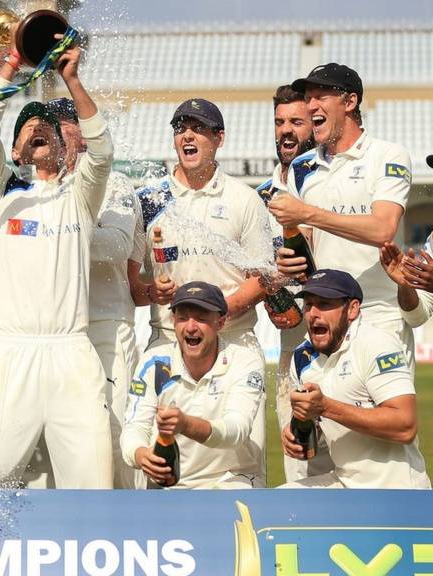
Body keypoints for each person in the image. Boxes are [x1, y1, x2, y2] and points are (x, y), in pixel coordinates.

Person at [0, 32, 114, 489]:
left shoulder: (80, 198)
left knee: (92, 490)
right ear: (14, 151)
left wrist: (72, 80)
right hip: (9, 355)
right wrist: (12, 62)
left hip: (71, 354)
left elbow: (102, 152)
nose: (38, 127)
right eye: (27, 126)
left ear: (67, 147)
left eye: (46, 124)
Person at [131, 98, 273, 484]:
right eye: (180, 129)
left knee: (241, 462)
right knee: (158, 468)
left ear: (219, 138)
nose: (187, 135)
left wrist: (211, 314)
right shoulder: (150, 200)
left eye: (199, 128)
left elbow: (264, 278)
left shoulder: (243, 199)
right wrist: (151, 292)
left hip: (234, 341)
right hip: (166, 343)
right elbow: (133, 286)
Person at [271, 63, 415, 373]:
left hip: (379, 315)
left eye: (321, 96)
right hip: (325, 317)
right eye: (308, 98)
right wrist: (287, 261)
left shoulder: (388, 155)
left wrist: (307, 213)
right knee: (325, 420)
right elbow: (306, 243)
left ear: (350, 102)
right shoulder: (301, 167)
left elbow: (383, 228)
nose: (311, 106)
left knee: (387, 421)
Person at [53, 96, 144, 488]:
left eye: (65, 122)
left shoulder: (117, 183)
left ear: (84, 133)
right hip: (56, 330)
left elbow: (116, 247)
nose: (56, 130)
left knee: (115, 430)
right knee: (60, 438)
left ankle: (127, 526)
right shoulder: (39, 187)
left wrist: (53, 230)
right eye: (50, 123)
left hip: (106, 324)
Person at [280, 270, 430, 489]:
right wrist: (298, 431)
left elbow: (405, 426)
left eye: (324, 304)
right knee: (279, 503)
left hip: (397, 490)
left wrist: (325, 407)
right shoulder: (302, 357)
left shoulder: (376, 343)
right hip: (344, 482)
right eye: (309, 304)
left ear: (352, 309)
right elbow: (317, 424)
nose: (313, 313)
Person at [256, 85, 331, 483]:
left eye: (296, 122)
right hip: (292, 344)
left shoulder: (329, 182)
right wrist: (271, 289)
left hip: (338, 340)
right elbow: (255, 268)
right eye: (279, 122)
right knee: (300, 464)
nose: (286, 131)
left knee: (353, 460)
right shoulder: (261, 195)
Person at [122, 281, 265, 489]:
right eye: (182, 318)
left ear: (221, 322)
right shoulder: (153, 362)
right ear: (173, 321)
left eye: (201, 318)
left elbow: (236, 430)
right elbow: (134, 428)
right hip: (169, 486)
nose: (190, 327)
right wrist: (140, 455)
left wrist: (186, 425)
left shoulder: (245, 361)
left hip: (231, 481)